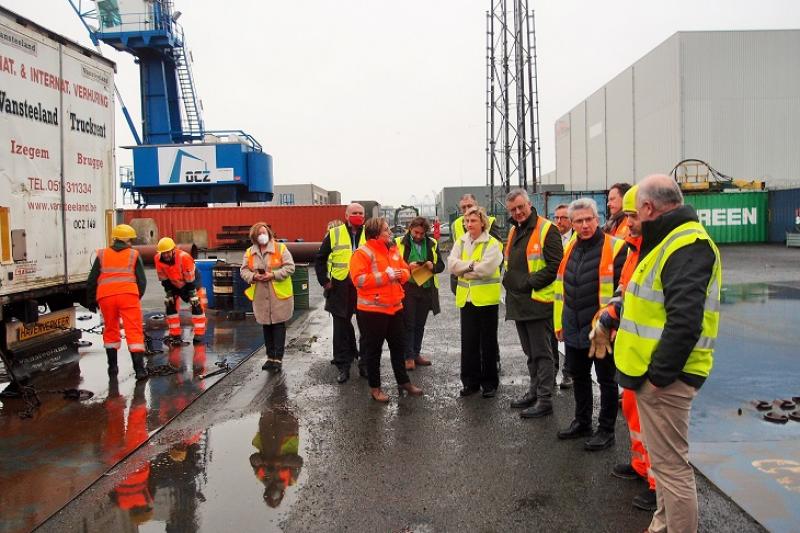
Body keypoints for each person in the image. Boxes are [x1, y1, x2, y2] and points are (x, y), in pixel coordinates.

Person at [603, 174, 721, 533]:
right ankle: (662, 525)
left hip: (667, 380)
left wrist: (657, 377)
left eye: (635, 214)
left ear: (649, 208)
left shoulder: (685, 244)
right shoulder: (670, 241)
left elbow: (686, 321)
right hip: (655, 376)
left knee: (672, 469)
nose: (631, 223)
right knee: (665, 466)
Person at [590, 185, 657, 512]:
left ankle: (658, 485)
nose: (627, 222)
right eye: (625, 215)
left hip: (653, 357)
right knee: (632, 411)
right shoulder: (635, 249)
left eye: (632, 215)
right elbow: (623, 291)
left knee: (655, 425)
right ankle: (641, 467)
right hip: (631, 352)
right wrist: (607, 318)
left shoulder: (658, 251)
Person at [554, 198, 627, 449]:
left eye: (589, 219)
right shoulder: (571, 247)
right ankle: (582, 421)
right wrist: (560, 323)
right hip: (573, 324)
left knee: (606, 380)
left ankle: (606, 429)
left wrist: (610, 324)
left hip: (602, 328)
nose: (585, 225)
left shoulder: (617, 248)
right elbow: (561, 288)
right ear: (572, 224)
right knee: (580, 376)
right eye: (579, 221)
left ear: (597, 219)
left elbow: (622, 291)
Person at [503, 189, 563, 416]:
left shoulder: (547, 229)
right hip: (519, 302)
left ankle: (545, 399)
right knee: (530, 353)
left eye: (521, 207)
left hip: (538, 301)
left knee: (542, 353)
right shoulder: (514, 230)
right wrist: (509, 281)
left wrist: (528, 283)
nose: (517, 212)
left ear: (529, 205)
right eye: (513, 209)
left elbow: (556, 265)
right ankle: (534, 391)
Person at [350, 217, 423, 402]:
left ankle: (403, 382)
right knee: (373, 351)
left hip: (395, 307)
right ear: (375, 233)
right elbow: (358, 280)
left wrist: (401, 274)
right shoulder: (362, 253)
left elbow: (405, 271)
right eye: (386, 230)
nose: (390, 233)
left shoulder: (393, 249)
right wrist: (386, 276)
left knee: (398, 348)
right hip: (372, 311)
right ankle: (375, 389)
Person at [448, 206, 503, 398]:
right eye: (467, 221)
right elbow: (451, 265)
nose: (469, 224)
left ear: (482, 222)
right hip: (467, 300)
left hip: (486, 300)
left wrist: (464, 268)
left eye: (473, 221)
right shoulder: (461, 242)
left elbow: (486, 269)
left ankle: (489, 383)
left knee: (487, 343)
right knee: (468, 342)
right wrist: (471, 266)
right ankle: (470, 383)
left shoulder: (493, 243)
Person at [314, 203, 368, 383]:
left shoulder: (370, 233)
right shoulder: (335, 233)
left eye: (360, 213)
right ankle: (343, 366)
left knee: (367, 329)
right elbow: (320, 259)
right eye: (354, 213)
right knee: (341, 329)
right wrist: (325, 282)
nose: (357, 215)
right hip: (340, 287)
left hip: (364, 287)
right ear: (346, 215)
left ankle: (365, 365)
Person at [86, 224, 148, 379]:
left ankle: (112, 368)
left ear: (115, 238)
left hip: (106, 297)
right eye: (131, 240)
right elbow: (142, 280)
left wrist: (91, 300)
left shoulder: (102, 254)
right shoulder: (133, 254)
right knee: (133, 330)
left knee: (110, 329)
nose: (132, 243)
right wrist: (136, 295)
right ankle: (139, 370)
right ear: (127, 240)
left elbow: (92, 280)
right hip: (128, 296)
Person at [240, 222, 296, 372]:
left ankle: (278, 359)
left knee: (278, 326)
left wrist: (273, 275)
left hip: (279, 296)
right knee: (266, 326)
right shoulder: (249, 252)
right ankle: (270, 357)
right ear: (254, 237)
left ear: (269, 233)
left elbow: (290, 267)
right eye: (259, 233)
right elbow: (243, 271)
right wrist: (254, 276)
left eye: (264, 232)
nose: (262, 235)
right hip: (261, 297)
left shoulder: (280, 248)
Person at [395, 217, 445, 370]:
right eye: (416, 232)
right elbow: (391, 264)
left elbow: (441, 266)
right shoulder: (398, 242)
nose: (418, 236)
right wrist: (407, 266)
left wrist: (432, 266)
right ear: (410, 229)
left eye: (422, 234)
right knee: (408, 324)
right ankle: (408, 357)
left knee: (420, 324)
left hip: (426, 288)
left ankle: (416, 354)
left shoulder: (432, 243)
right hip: (408, 288)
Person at [153, 237, 207, 346]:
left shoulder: (184, 258)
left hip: (191, 281)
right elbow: (163, 278)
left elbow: (190, 279)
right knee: (170, 305)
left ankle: (199, 334)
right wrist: (168, 293)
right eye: (163, 253)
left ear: (173, 250)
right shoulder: (157, 259)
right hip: (173, 283)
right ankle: (175, 334)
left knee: (197, 304)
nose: (166, 255)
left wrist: (192, 294)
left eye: (168, 252)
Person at [551, 203, 574, 390]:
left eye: (563, 218)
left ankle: (569, 373)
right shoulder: (551, 238)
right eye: (556, 217)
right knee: (551, 333)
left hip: (572, 294)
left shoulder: (576, 239)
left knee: (570, 336)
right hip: (552, 294)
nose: (559, 221)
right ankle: (552, 369)